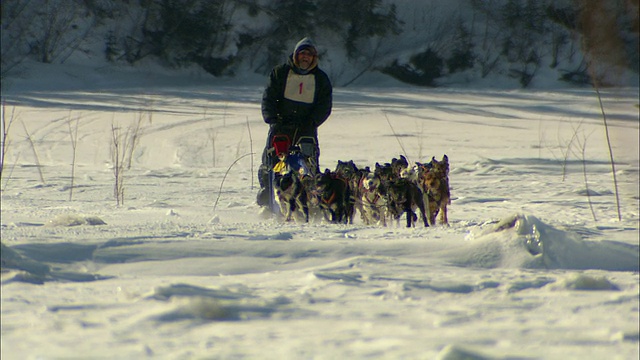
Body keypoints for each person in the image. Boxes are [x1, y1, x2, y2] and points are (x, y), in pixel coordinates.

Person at [257, 37, 333, 206]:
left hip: (306, 128)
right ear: (296, 55)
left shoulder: (320, 79)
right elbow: (269, 98)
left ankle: (310, 202)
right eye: (302, 53)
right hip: (281, 126)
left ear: (314, 58)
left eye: (309, 54)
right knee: (271, 162)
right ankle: (268, 196)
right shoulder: (280, 73)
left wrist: (313, 121)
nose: (305, 57)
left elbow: (324, 105)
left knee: (309, 164)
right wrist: (272, 119)